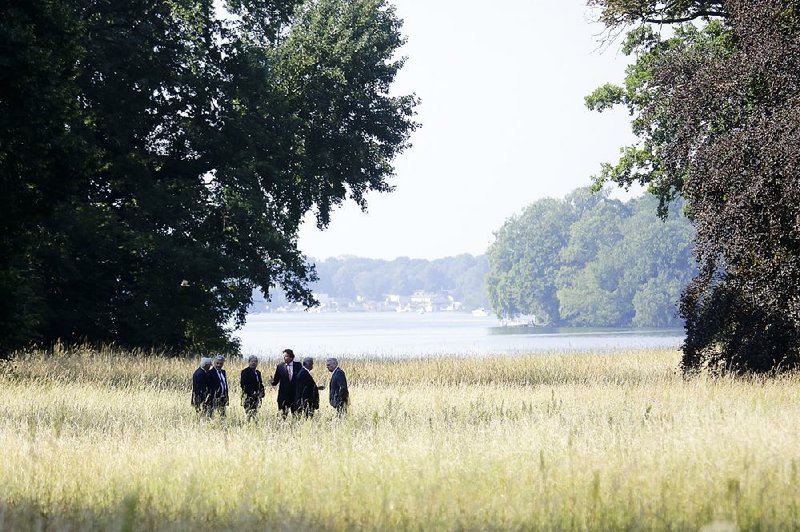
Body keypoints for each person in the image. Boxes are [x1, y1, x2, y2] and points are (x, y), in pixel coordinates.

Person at [270, 349, 303, 418]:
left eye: (286, 356)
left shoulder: (298, 365)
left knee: (297, 417)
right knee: (283, 417)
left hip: (295, 397)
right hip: (283, 397)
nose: (284, 358)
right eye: (283, 356)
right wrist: (272, 381)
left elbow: (302, 379)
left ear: (291, 357)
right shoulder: (280, 367)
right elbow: (276, 381)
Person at [240, 355, 265, 420]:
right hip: (248, 396)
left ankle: (254, 426)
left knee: (255, 413)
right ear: (249, 362)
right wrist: (252, 393)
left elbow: (260, 384)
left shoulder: (258, 372)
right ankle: (247, 426)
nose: (253, 363)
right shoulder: (245, 372)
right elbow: (243, 384)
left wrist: (262, 393)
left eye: (255, 361)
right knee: (248, 413)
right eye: (252, 361)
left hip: (257, 397)